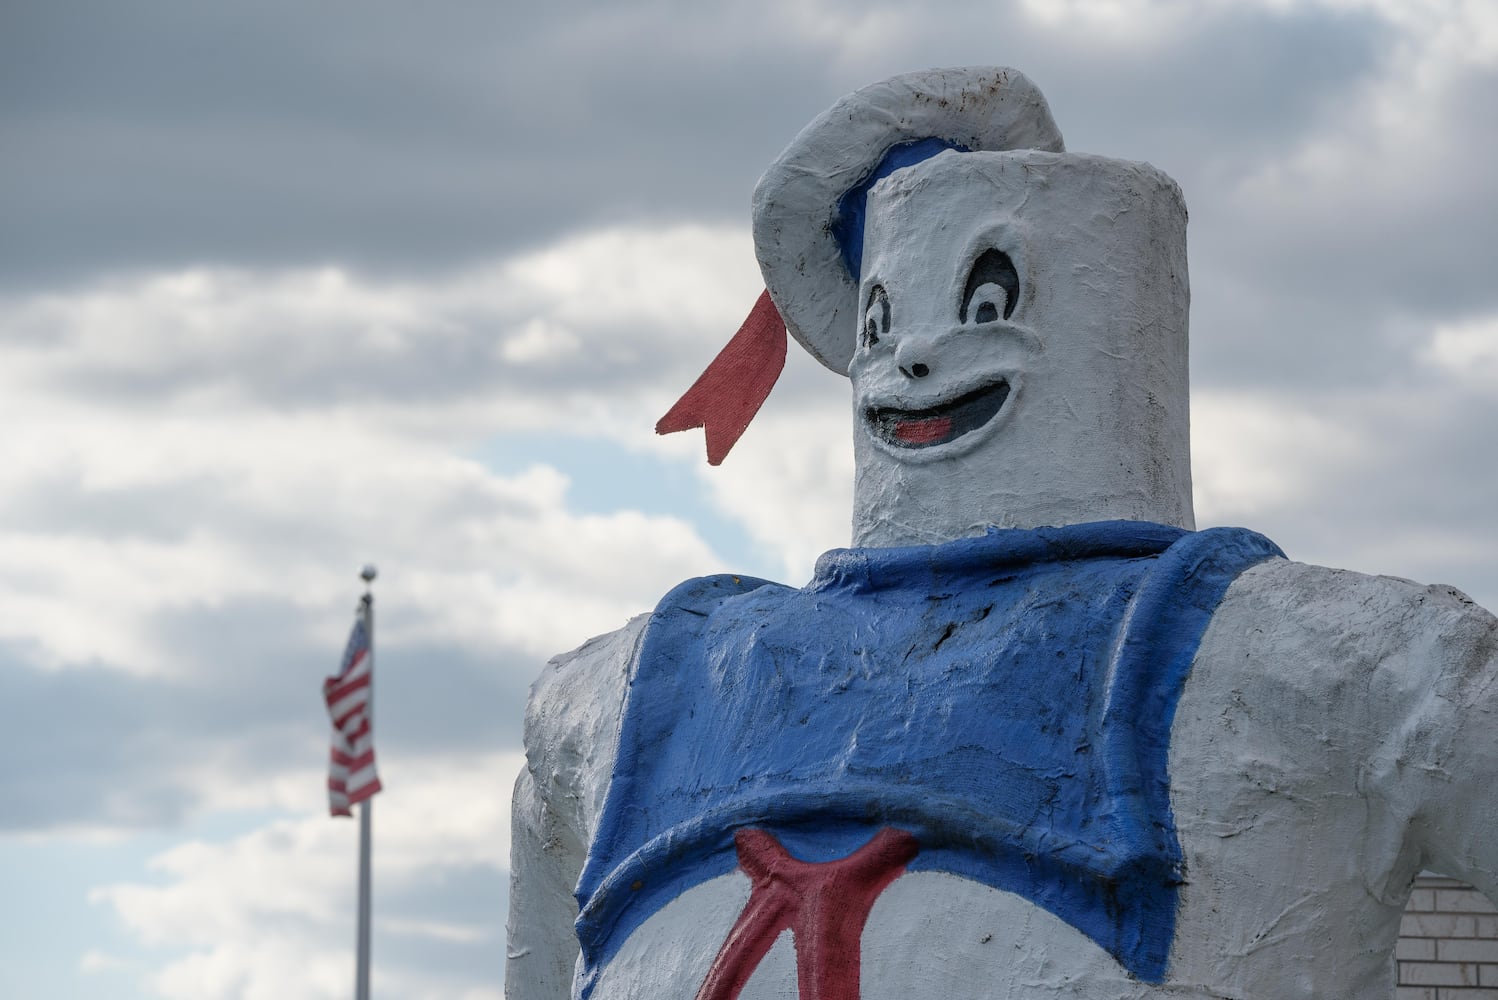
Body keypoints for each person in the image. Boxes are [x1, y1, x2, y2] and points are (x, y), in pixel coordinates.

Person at [507, 67, 1498, 1000]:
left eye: (988, 303)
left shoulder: (1341, 662)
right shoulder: (631, 693)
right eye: (884, 319)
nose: (919, 356)